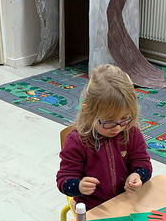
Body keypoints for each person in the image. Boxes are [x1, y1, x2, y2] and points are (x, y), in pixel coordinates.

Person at [56, 64, 153, 210]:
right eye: (109, 122)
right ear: (88, 112)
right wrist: (79, 186)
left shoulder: (131, 131)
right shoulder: (77, 140)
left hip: (127, 201)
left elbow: (143, 164)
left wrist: (138, 176)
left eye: (125, 119)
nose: (118, 127)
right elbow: (63, 180)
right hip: (94, 208)